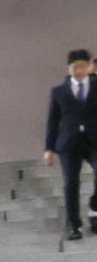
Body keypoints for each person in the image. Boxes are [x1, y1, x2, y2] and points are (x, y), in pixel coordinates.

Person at [44, 49, 97, 240]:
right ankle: (75, 225)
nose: (79, 70)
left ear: (88, 67)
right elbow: (52, 120)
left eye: (83, 66)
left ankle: (95, 209)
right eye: (75, 66)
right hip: (68, 143)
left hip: (94, 141)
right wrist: (49, 148)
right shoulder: (58, 91)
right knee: (70, 183)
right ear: (69, 68)